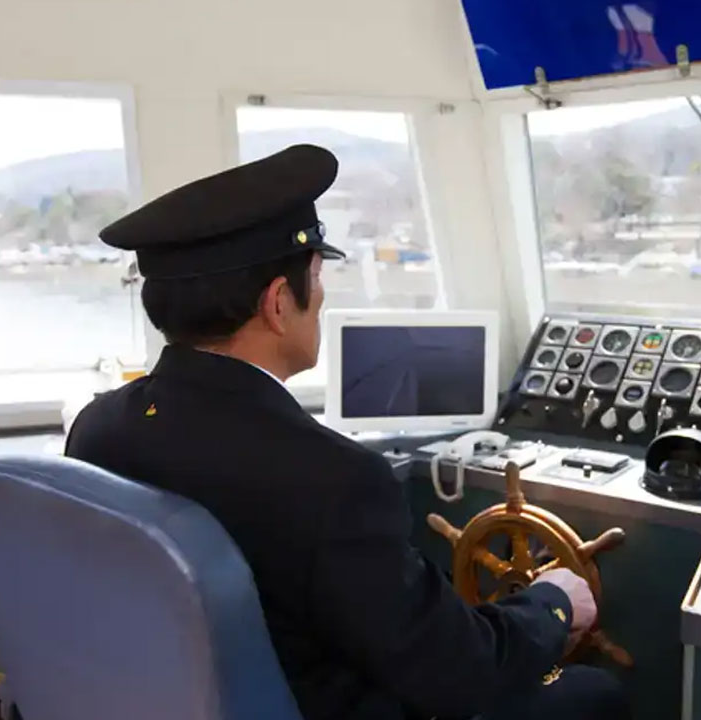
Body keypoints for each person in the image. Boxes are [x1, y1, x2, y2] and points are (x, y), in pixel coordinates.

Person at [65, 145, 629, 720]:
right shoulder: (332, 479)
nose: (324, 294)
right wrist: (554, 603)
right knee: (593, 694)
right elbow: (460, 673)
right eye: (316, 275)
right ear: (279, 303)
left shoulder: (98, 428)